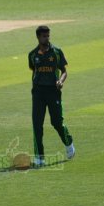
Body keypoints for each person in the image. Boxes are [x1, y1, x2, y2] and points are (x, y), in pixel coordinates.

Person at [28, 26, 75, 166]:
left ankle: (69, 143)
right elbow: (33, 70)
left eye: (48, 36)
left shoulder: (56, 52)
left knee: (56, 122)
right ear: (38, 37)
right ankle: (39, 158)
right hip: (37, 93)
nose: (47, 39)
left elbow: (64, 71)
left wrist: (60, 80)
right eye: (44, 36)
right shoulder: (32, 55)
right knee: (37, 125)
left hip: (53, 92)